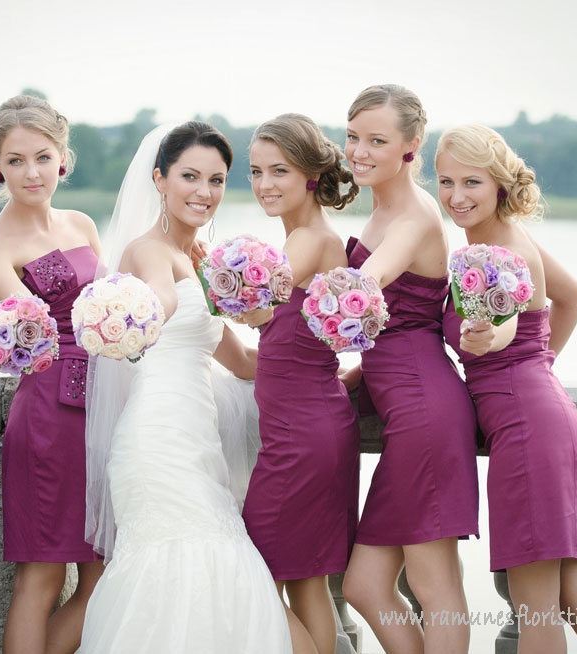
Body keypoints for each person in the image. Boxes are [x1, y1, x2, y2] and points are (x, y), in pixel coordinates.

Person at [80, 122, 292, 653]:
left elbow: (240, 361)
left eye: (216, 180)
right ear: (160, 179)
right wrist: (154, 308)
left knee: (215, 580)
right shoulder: (148, 251)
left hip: (200, 443)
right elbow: (160, 297)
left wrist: (318, 368)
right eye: (190, 177)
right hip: (157, 442)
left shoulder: (205, 261)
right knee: (181, 574)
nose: (204, 191)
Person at [435, 124, 577, 654]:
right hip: (549, 417)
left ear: (499, 183)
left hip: (527, 432)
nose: (456, 196)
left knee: (537, 611)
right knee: (575, 595)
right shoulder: (506, 236)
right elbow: (574, 297)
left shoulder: (501, 250)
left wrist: (492, 342)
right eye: (446, 181)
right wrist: (534, 364)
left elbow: (499, 329)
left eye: (471, 182)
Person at [339, 84, 479, 653]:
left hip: (425, 411)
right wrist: (355, 376)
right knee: (365, 585)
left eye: (377, 140)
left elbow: (367, 287)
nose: (359, 151)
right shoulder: (384, 207)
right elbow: (395, 329)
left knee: (435, 586)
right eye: (353, 137)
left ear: (411, 146)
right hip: (404, 403)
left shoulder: (416, 215)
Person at [0, 95, 105, 654]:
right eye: (16, 160)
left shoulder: (82, 223)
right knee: (42, 575)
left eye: (43, 157)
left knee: (103, 576)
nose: (32, 172)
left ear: (63, 160)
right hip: (51, 412)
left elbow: (110, 308)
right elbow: (30, 336)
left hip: (106, 404)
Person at [241, 113, 360, 654]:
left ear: (311, 175)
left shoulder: (310, 240)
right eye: (256, 171)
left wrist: (199, 274)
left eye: (279, 171)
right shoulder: (306, 238)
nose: (264, 184)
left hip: (300, 439)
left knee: (253, 580)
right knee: (307, 577)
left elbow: (254, 303)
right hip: (313, 424)